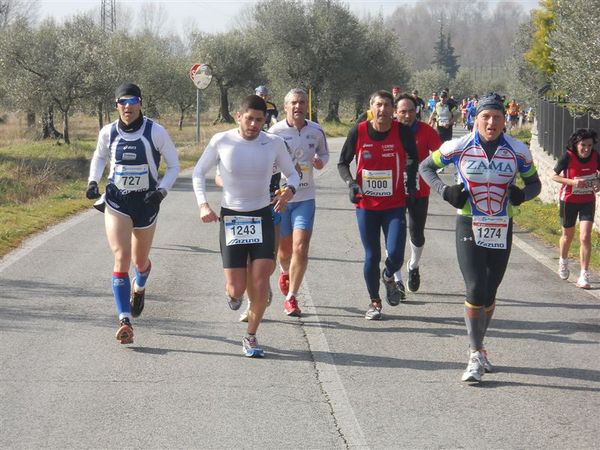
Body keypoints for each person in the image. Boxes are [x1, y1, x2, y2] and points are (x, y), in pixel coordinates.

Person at [419, 93, 541, 382]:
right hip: (468, 222)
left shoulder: (518, 151)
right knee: (475, 286)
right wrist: (445, 191)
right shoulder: (457, 146)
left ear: (503, 122)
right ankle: (474, 354)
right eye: (486, 116)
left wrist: (523, 195)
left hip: (501, 224)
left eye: (497, 117)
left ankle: (480, 348)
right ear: (475, 119)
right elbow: (426, 167)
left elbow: (535, 183)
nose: (491, 122)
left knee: (490, 291)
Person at [192, 94, 299, 357]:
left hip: (262, 215)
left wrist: (288, 191)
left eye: (259, 120)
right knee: (237, 288)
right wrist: (203, 205)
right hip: (233, 218)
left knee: (261, 282)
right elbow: (198, 172)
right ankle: (234, 295)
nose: (253, 124)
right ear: (238, 116)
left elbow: (293, 173)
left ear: (265, 121)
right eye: (248, 118)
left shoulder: (273, 143)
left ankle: (251, 336)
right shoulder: (222, 140)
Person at [85, 82, 180, 345]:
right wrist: (93, 180)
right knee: (121, 258)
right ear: (116, 105)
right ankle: (125, 320)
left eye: (133, 101)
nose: (128, 107)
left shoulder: (155, 131)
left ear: (140, 103)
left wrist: (161, 192)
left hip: (146, 203)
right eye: (122, 102)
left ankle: (139, 287)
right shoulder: (109, 132)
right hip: (117, 201)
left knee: (140, 262)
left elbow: (174, 166)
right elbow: (99, 156)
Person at [338, 90, 418, 320]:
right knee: (371, 255)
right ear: (371, 107)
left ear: (393, 110)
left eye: (387, 106)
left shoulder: (401, 131)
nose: (383, 110)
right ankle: (374, 302)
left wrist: (409, 183)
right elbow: (342, 162)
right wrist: (351, 183)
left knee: (395, 254)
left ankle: (388, 275)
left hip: (394, 204)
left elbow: (413, 157)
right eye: (378, 105)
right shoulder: (359, 130)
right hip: (367, 205)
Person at [269, 88, 329, 317]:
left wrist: (320, 162)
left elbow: (324, 154)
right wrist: (283, 168)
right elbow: (267, 162)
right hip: (282, 198)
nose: (298, 106)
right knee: (283, 252)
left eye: (302, 102)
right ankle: (285, 272)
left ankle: (292, 297)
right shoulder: (275, 132)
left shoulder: (316, 131)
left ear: (307, 106)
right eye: (293, 102)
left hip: (305, 198)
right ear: (285, 107)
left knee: (301, 248)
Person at [394, 94, 442, 293]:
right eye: (402, 112)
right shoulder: (390, 131)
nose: (407, 115)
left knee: (417, 233)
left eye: (411, 111)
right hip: (394, 189)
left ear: (417, 112)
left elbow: (441, 154)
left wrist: (429, 170)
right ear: (396, 113)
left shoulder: (426, 131)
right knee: (394, 234)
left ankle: (413, 266)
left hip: (419, 190)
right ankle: (395, 278)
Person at [552, 128, 600, 289]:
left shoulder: (595, 156)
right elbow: (554, 175)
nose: (586, 149)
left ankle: (584, 275)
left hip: (588, 200)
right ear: (576, 144)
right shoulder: (568, 156)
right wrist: (572, 182)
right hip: (569, 200)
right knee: (568, 235)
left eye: (589, 145)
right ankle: (563, 261)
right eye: (583, 145)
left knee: (585, 237)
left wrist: (597, 182)